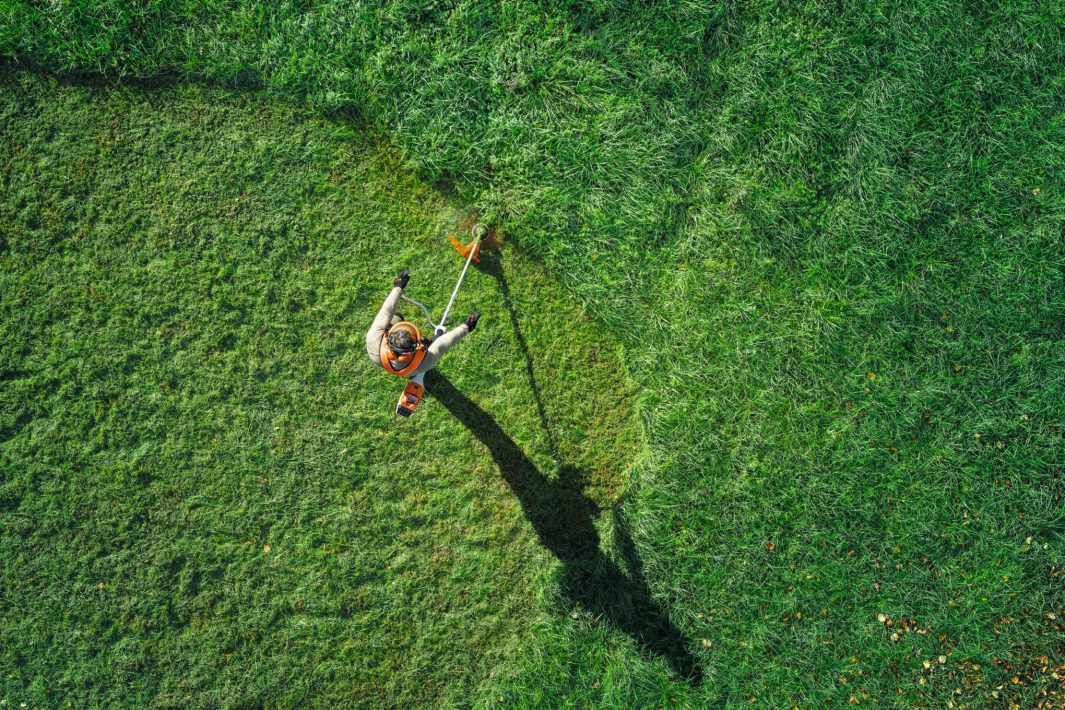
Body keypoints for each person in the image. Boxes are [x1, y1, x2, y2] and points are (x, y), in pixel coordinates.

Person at [366, 269, 480, 390]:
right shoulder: (426, 362)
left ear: (389, 338)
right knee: (427, 342)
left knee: (397, 316)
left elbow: (386, 311)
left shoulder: (373, 339)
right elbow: (443, 343)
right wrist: (467, 326)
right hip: (413, 369)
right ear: (414, 347)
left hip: (383, 359)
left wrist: (398, 287)